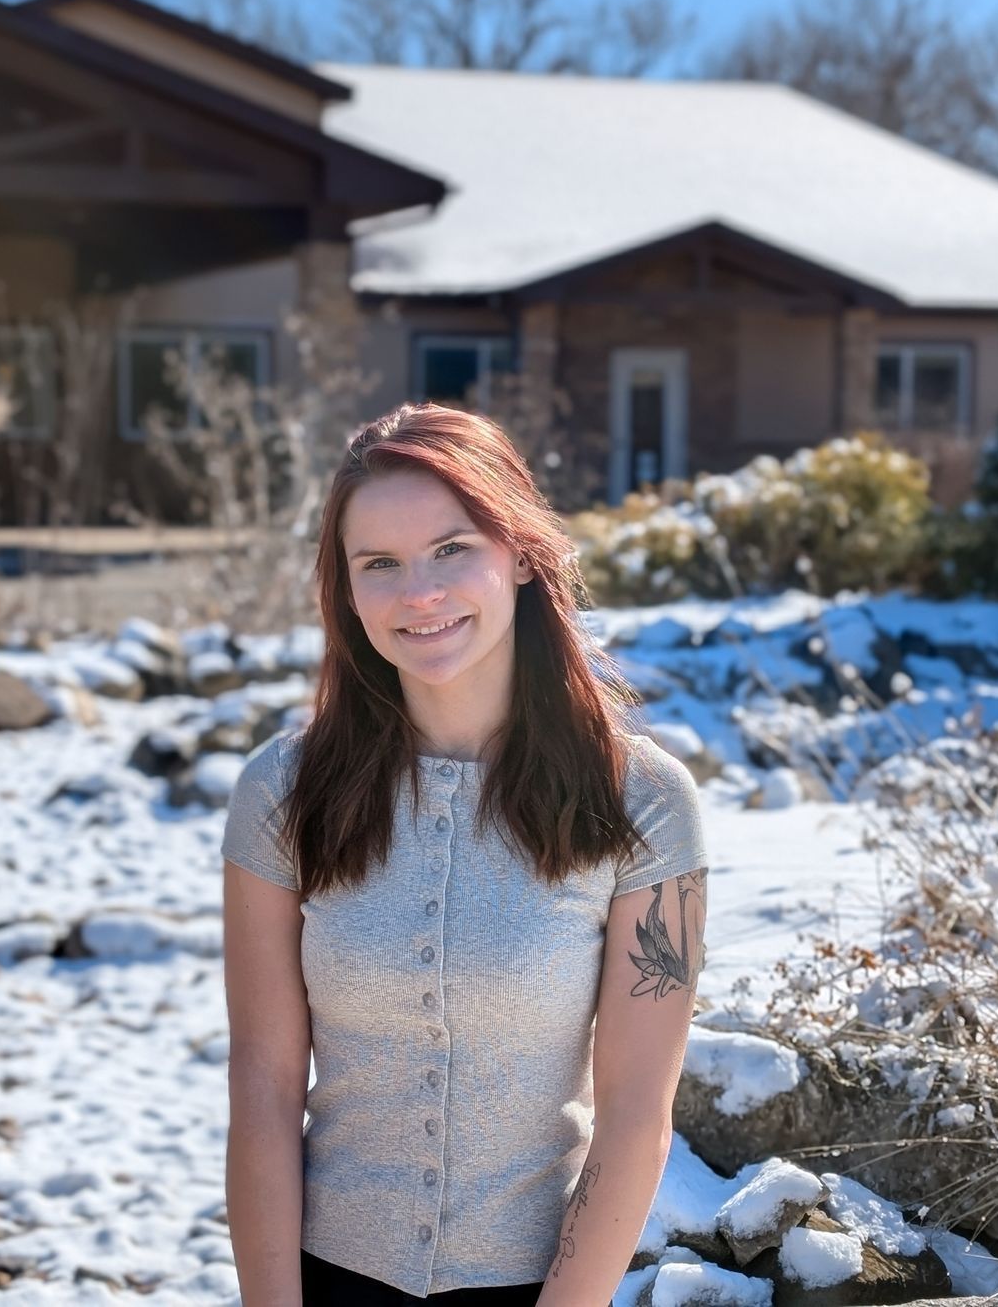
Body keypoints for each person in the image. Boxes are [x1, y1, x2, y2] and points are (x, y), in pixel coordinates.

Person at [221, 402, 709, 1305]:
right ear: (347, 589)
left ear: (522, 554)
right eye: (381, 565)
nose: (420, 593)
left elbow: (637, 1119)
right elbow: (263, 1078)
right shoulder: (281, 793)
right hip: (323, 1278)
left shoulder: (642, 802)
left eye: (453, 549)